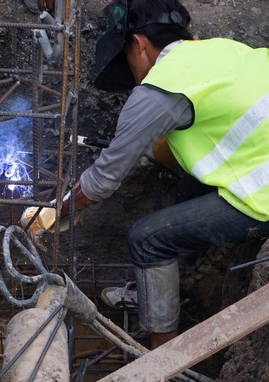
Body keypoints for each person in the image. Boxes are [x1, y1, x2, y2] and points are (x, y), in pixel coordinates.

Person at [22, 0, 269, 350]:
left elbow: (101, 183)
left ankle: (163, 364)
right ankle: (162, 288)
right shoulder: (218, 52)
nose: (133, 75)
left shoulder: (161, 85)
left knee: (147, 239)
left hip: (264, 193)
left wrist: (55, 212)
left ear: (138, 44)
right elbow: (219, 126)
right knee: (186, 191)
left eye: (128, 60)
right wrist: (150, 150)